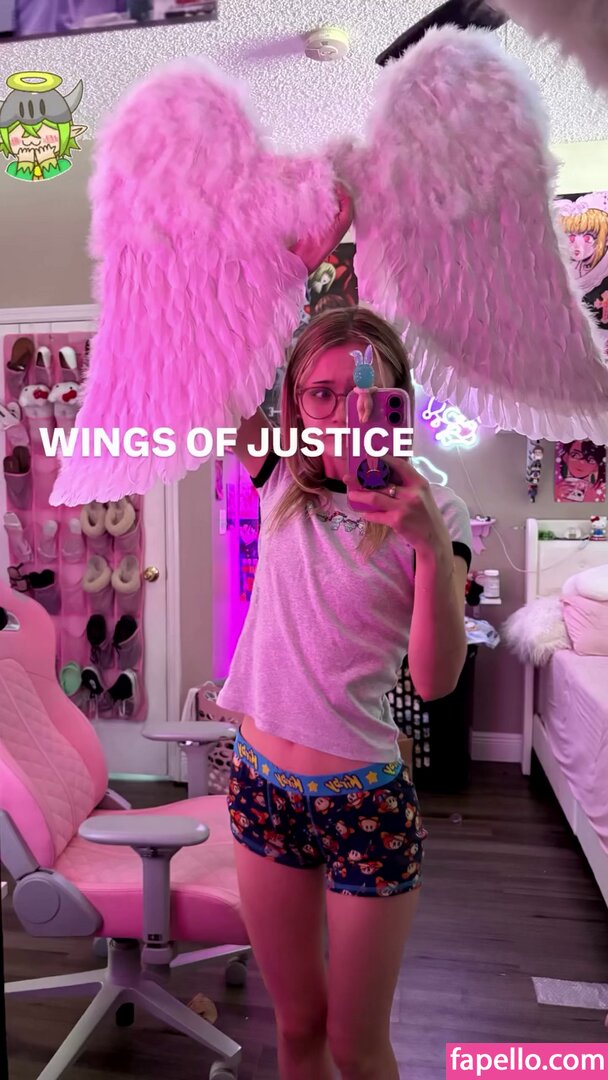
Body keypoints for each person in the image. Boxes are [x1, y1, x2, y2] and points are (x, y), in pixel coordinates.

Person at [217, 306, 472, 1080]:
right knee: (297, 1026)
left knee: (356, 1047)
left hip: (363, 803)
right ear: (296, 405)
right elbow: (218, 364)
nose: (338, 413)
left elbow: (434, 681)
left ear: (396, 400)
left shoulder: (438, 511)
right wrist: (283, 273)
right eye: (318, 394)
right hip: (261, 786)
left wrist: (429, 545)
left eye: (361, 393)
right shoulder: (279, 478)